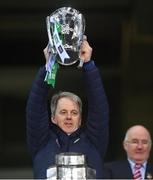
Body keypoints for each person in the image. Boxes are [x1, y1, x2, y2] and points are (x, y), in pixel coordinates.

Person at [26, 37, 109, 179]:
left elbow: (99, 107)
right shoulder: (41, 143)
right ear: (52, 117)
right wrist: (49, 65)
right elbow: (35, 107)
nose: (69, 117)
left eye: (74, 113)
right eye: (63, 112)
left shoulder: (94, 143)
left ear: (81, 118)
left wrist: (88, 64)